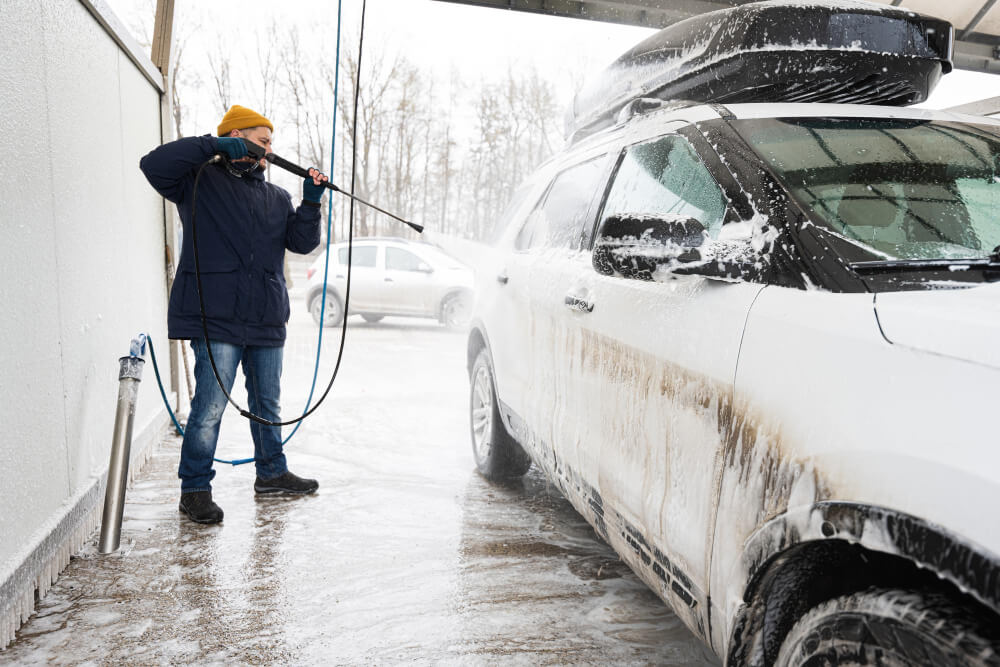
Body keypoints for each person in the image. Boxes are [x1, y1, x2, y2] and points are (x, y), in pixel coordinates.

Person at [140, 104, 329, 524]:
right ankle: (195, 490)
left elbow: (300, 243)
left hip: (264, 317)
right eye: (262, 141)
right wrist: (213, 146)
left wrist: (311, 203)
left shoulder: (276, 196)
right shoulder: (197, 181)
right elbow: (152, 164)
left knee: (267, 403)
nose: (269, 149)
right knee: (209, 407)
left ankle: (272, 474)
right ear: (236, 137)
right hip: (216, 316)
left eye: (271, 143)